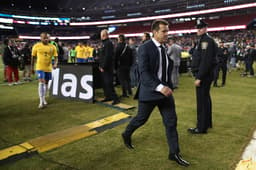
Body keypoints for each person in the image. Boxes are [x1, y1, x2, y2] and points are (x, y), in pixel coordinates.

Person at [121, 19, 190, 167]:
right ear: (155, 32)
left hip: (165, 93)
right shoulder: (145, 48)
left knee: (171, 123)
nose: (167, 34)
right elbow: (144, 73)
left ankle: (174, 153)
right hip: (151, 92)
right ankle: (126, 134)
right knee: (141, 119)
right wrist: (160, 87)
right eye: (164, 31)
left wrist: (169, 86)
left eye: (167, 31)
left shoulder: (164, 47)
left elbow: (165, 69)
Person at [189, 19, 218, 134]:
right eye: (197, 27)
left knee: (202, 101)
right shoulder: (203, 40)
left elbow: (205, 61)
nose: (198, 29)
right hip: (205, 75)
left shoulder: (206, 41)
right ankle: (207, 123)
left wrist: (199, 77)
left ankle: (201, 127)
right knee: (205, 99)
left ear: (205, 28)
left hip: (203, 76)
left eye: (200, 27)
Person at [31, 32, 58, 109]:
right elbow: (33, 57)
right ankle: (41, 102)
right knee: (41, 82)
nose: (46, 39)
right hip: (40, 67)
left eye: (47, 38)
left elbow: (56, 57)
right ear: (41, 38)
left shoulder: (53, 47)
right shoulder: (36, 46)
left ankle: (44, 98)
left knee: (46, 84)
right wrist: (32, 68)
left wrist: (55, 64)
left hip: (48, 68)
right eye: (44, 38)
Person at [99, 29, 120, 105]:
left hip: (107, 68)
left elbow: (108, 56)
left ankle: (115, 98)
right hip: (103, 67)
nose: (101, 37)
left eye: (101, 35)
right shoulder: (104, 43)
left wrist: (103, 66)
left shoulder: (108, 43)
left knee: (109, 83)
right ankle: (108, 96)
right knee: (105, 83)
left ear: (105, 35)